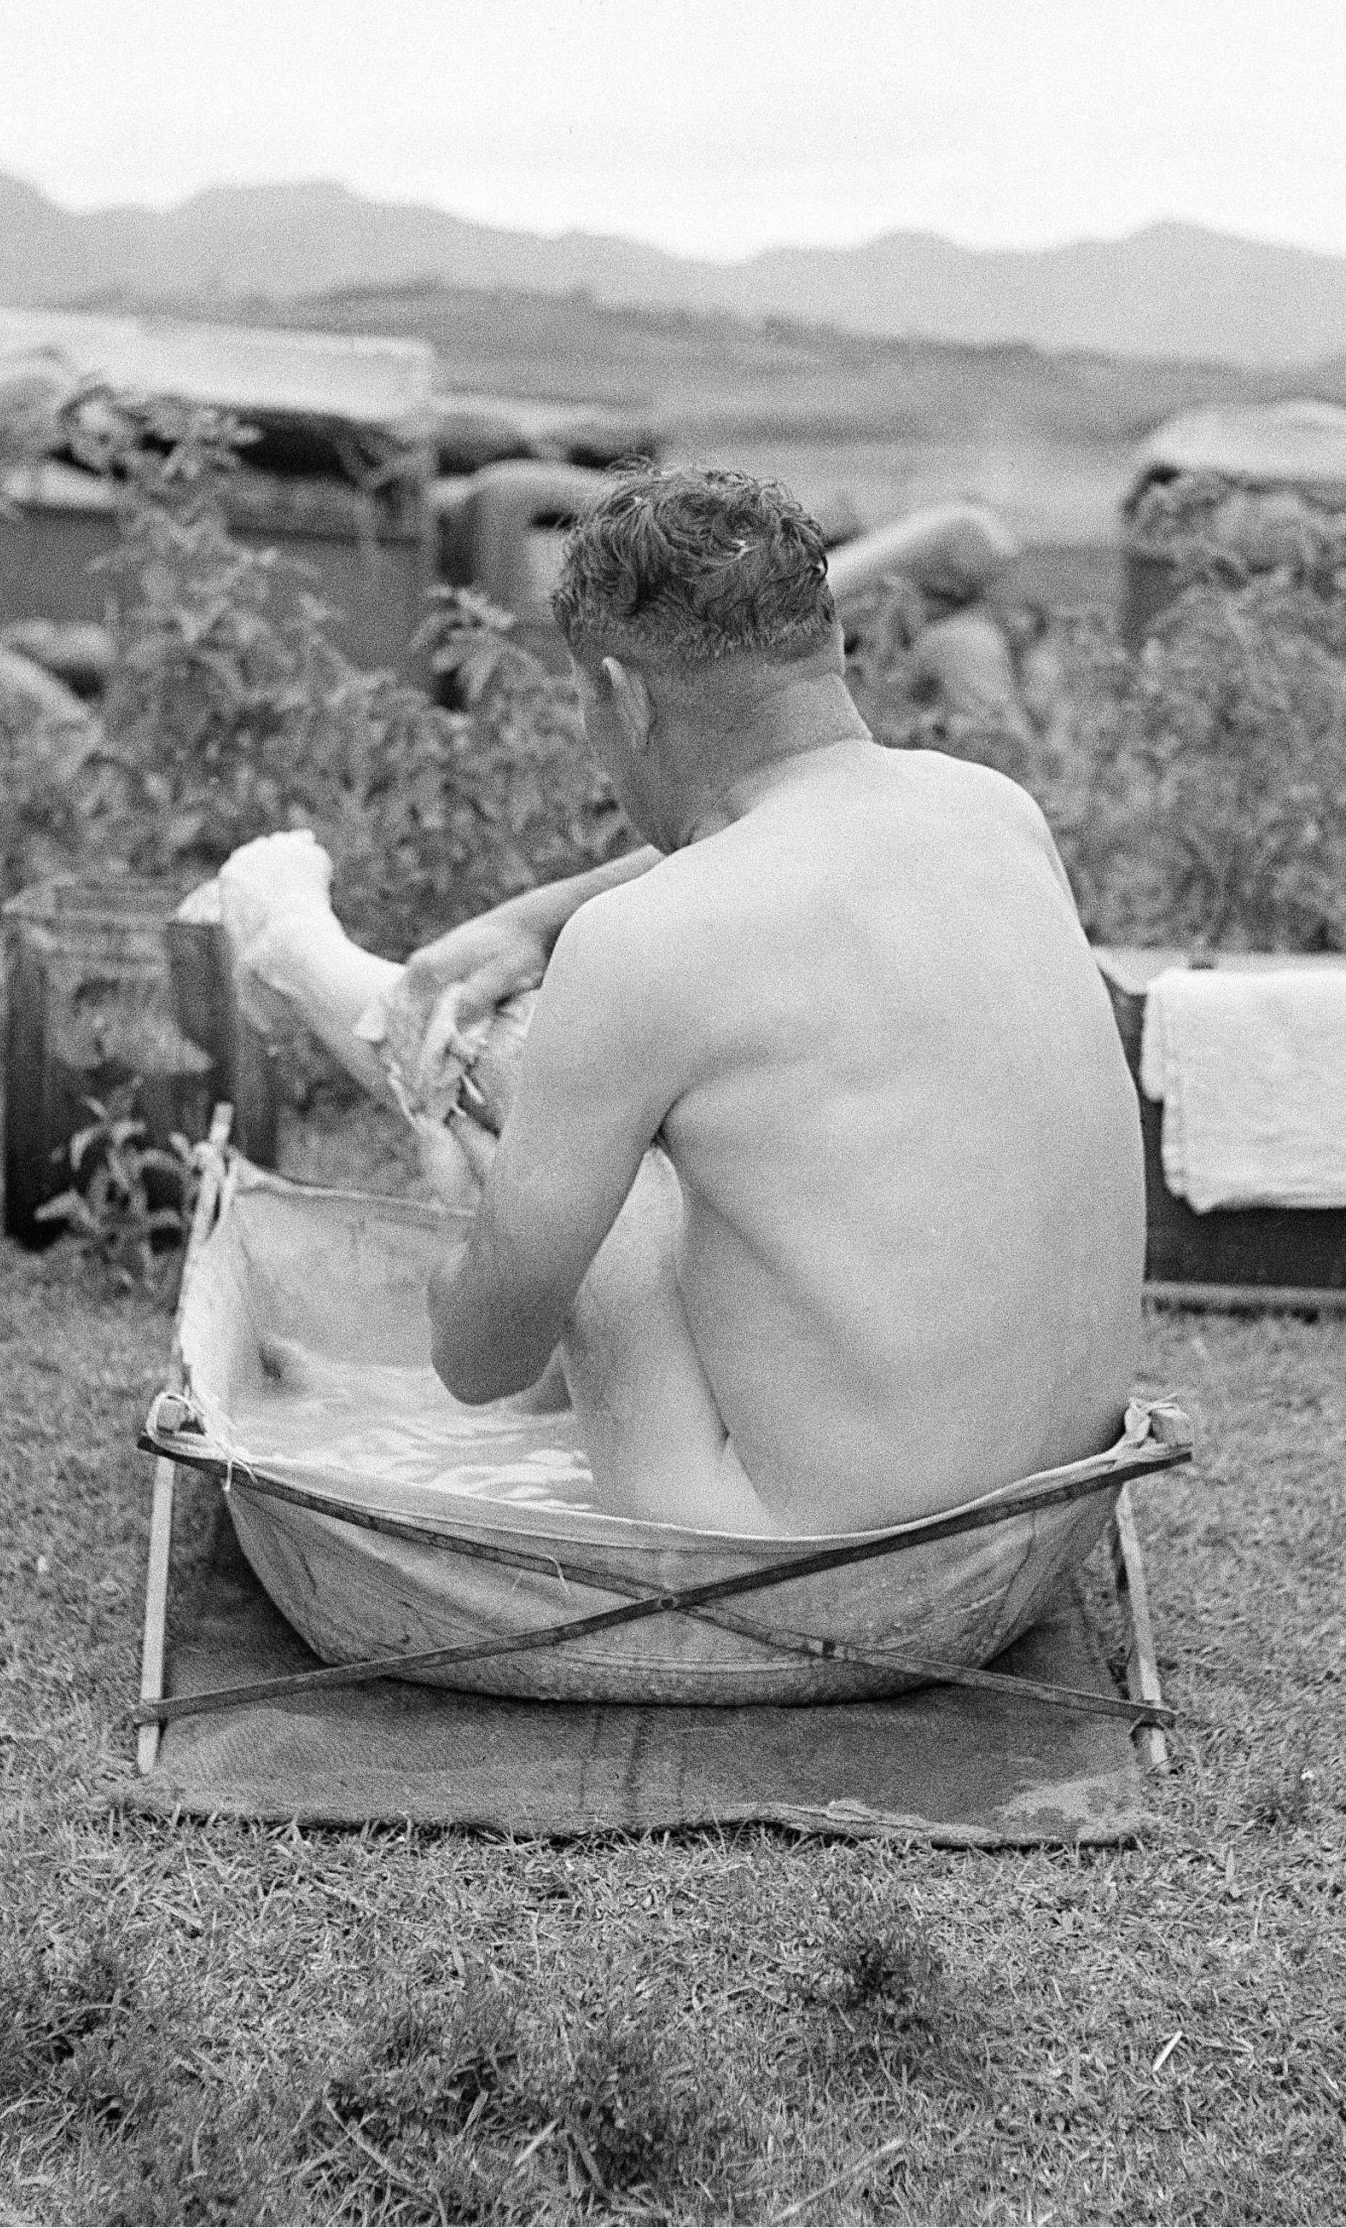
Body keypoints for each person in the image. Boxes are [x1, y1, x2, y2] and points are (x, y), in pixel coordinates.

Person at [254, 467, 1144, 1538]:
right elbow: (786, 835)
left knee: (544, 1099)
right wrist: (536, 913)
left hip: (793, 1569)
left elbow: (477, 1362)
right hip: (1042, 1526)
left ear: (622, 695)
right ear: (832, 646)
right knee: (696, 1132)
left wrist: (473, 1184)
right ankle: (308, 959)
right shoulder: (997, 813)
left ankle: (290, 949)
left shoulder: (642, 948)